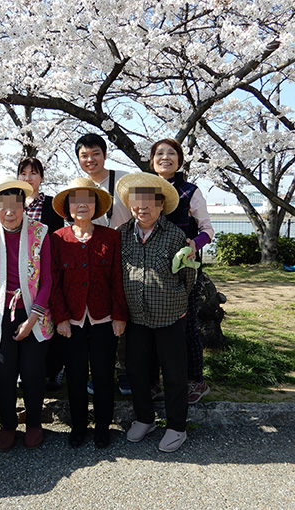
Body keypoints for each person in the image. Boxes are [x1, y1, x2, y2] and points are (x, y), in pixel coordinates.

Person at [0, 174, 54, 452]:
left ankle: (34, 422)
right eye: (3, 206)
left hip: (32, 313)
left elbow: (47, 280)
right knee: (3, 373)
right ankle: (8, 424)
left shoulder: (40, 232)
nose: (9, 212)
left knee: (33, 371)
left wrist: (32, 319)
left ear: (24, 205)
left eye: (16, 205)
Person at [116, 172, 196, 453]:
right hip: (135, 316)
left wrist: (177, 303)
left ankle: (176, 426)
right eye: (137, 201)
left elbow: (188, 277)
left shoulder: (176, 236)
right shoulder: (122, 235)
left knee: (174, 372)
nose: (143, 207)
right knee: (136, 369)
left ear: (161, 205)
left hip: (169, 315)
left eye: (150, 201)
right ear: (130, 204)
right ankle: (145, 417)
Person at [50, 177, 128, 448]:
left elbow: (118, 278)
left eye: (88, 199)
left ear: (97, 205)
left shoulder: (111, 237)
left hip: (104, 318)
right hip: (71, 320)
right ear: (68, 206)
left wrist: (119, 314)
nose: (82, 205)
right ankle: (79, 425)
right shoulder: (58, 239)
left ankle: (103, 426)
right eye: (76, 200)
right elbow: (53, 282)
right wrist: (60, 317)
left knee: (104, 374)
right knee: (75, 375)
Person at [147, 138, 215, 404]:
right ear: (151, 160)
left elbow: (207, 229)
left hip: (184, 271)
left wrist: (193, 244)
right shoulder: (144, 188)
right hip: (150, 271)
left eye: (171, 153)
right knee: (149, 325)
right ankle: (152, 382)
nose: (165, 157)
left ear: (179, 160)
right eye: (159, 153)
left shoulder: (190, 191)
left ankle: (195, 381)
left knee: (186, 326)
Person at [75, 133, 132, 395]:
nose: (90, 159)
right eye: (84, 155)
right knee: (94, 314)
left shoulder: (123, 180)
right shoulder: (77, 185)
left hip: (126, 252)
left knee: (123, 311)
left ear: (105, 154)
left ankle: (124, 372)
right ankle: (92, 372)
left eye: (95, 153)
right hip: (92, 258)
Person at [16, 157, 65, 391]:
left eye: (33, 173)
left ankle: (54, 370)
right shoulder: (12, 202)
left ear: (41, 177)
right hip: (17, 272)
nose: (28, 178)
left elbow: (57, 237)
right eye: (23, 173)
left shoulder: (52, 204)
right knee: (21, 316)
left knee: (48, 316)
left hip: (45, 268)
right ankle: (22, 369)